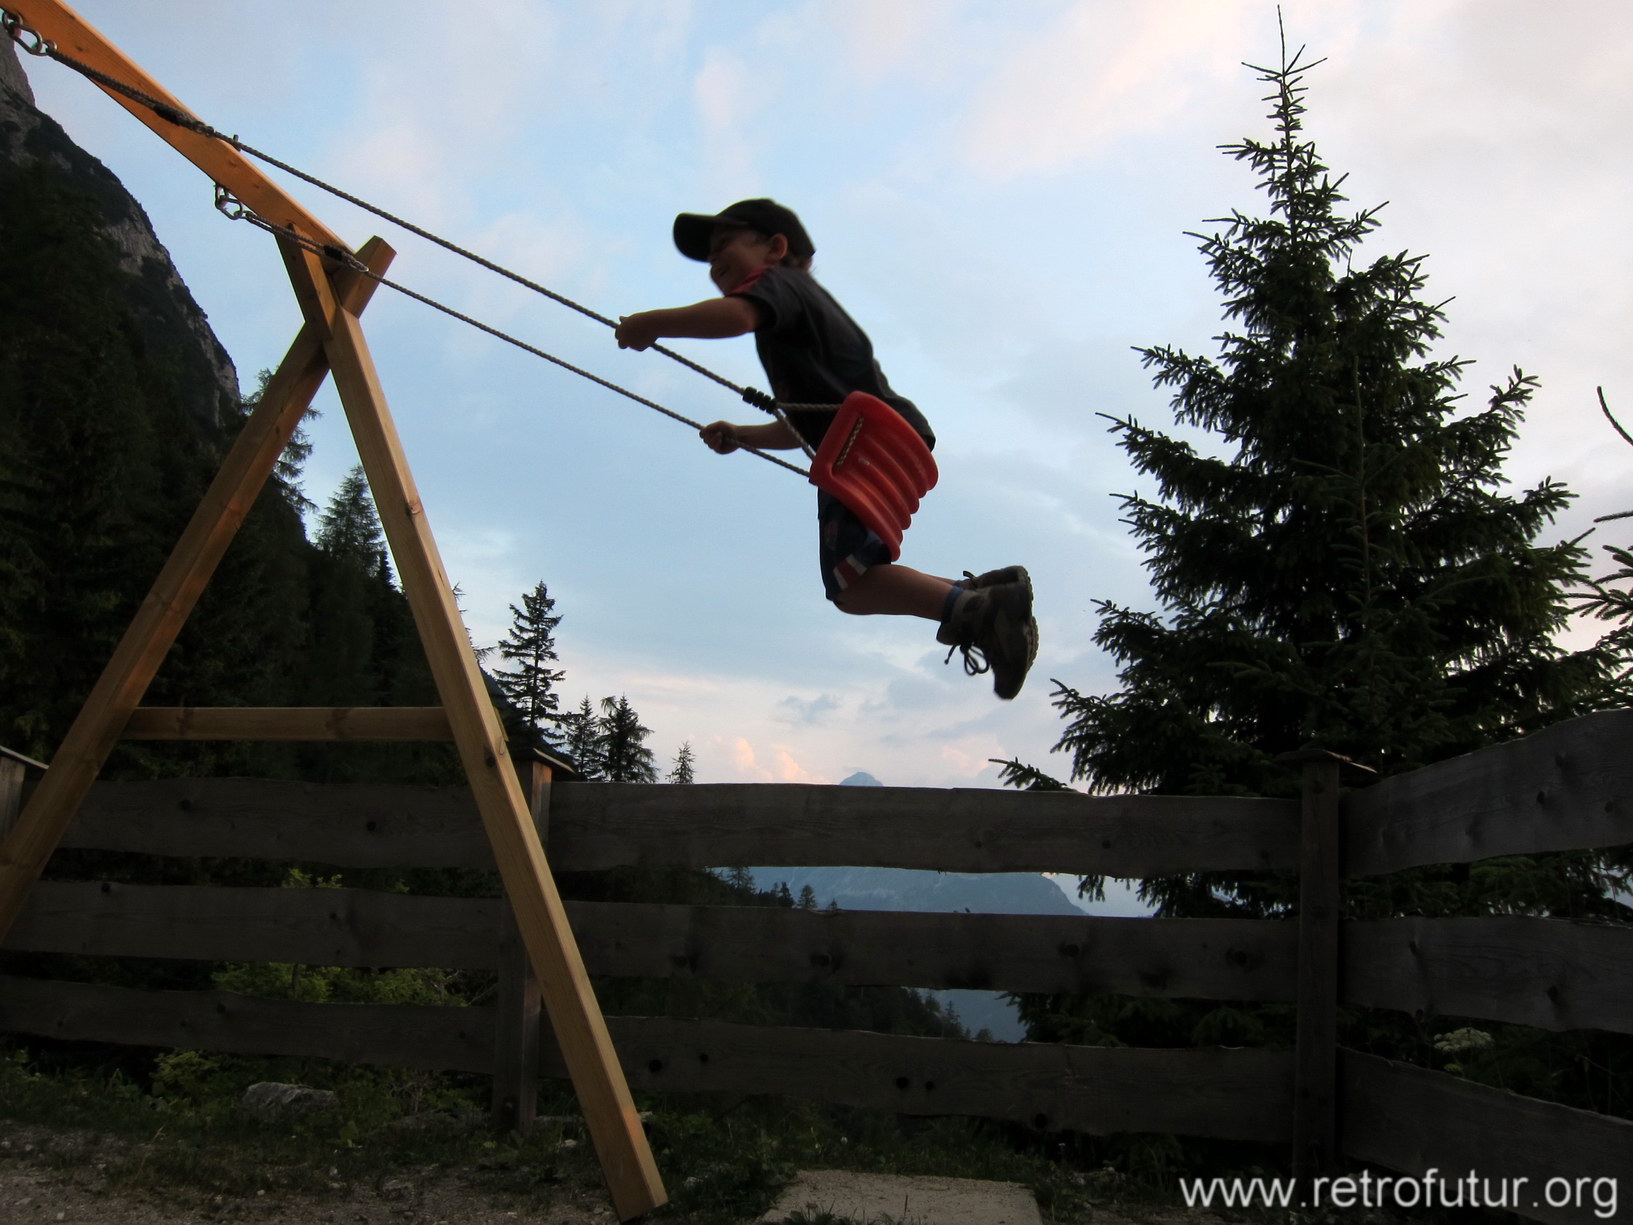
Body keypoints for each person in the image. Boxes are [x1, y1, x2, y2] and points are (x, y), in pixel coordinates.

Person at [614, 199, 1036, 699]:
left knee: (851, 587)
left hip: (863, 439)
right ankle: (980, 598)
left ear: (775, 247)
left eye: (724, 243)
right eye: (708, 257)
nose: (713, 262)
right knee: (860, 578)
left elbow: (735, 318)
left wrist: (652, 323)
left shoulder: (779, 285)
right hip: (876, 433)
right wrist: (744, 435)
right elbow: (806, 424)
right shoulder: (803, 310)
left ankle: (983, 612)